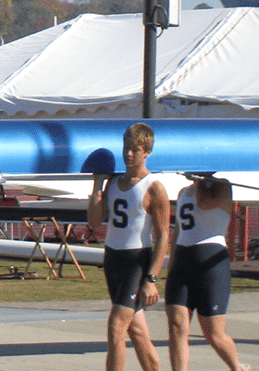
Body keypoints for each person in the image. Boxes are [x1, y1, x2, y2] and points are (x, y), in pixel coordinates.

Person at [88, 122, 171, 371]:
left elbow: (164, 237)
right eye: (126, 148)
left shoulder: (154, 188)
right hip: (113, 260)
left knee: (116, 328)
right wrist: (97, 187)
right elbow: (94, 222)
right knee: (138, 333)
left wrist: (152, 278)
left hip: (137, 261)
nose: (129, 154)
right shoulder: (113, 183)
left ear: (147, 152)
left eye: (136, 149)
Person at [165, 176, 250, 371]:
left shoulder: (221, 186)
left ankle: (236, 366)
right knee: (177, 326)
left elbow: (203, 203)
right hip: (182, 261)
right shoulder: (183, 192)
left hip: (210, 262)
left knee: (214, 333)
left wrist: (201, 179)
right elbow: (178, 231)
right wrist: (171, 266)